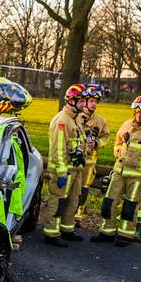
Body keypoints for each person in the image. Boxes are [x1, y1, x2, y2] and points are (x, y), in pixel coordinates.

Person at [93, 94, 141, 246]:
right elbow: (117, 142)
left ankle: (125, 235)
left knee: (129, 208)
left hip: (139, 177)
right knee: (108, 203)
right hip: (119, 172)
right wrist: (119, 152)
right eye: (137, 111)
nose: (139, 114)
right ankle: (107, 232)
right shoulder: (126, 125)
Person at [55, 84, 110, 240]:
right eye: (91, 100)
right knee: (65, 196)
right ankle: (60, 224)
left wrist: (98, 143)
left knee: (80, 193)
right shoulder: (74, 118)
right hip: (72, 163)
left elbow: (106, 137)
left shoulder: (100, 121)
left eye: (96, 102)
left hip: (88, 163)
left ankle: (74, 219)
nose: (93, 104)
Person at [41, 84, 86, 247]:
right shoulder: (62, 120)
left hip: (75, 170)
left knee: (73, 201)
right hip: (63, 171)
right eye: (81, 101)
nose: (84, 104)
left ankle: (67, 229)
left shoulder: (76, 119)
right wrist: (60, 173)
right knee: (58, 202)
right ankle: (51, 233)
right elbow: (57, 148)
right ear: (71, 101)